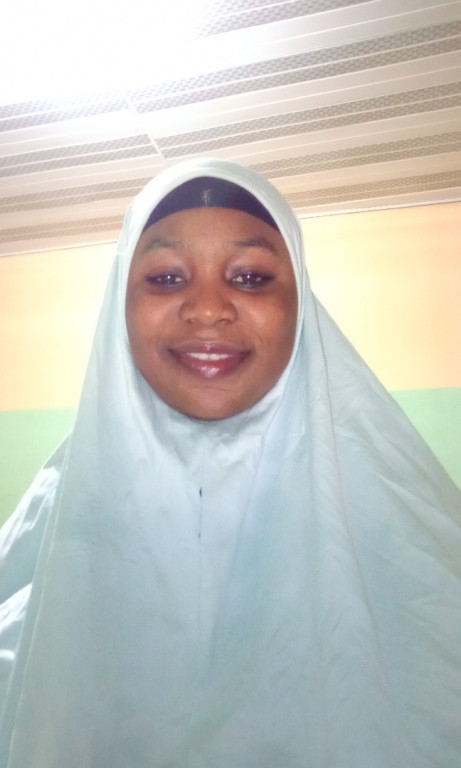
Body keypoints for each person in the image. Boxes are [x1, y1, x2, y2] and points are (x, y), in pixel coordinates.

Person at [0, 158, 460, 768]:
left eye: (249, 277)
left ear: (300, 304)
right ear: (119, 305)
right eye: (167, 278)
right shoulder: (49, 536)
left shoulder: (412, 541)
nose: (208, 308)